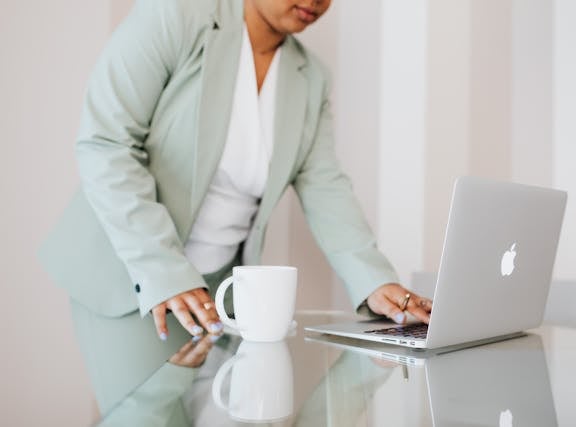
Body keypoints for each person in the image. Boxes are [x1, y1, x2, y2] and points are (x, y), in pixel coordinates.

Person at [39, 0, 432, 413]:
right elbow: (106, 145)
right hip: (130, 274)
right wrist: (167, 272)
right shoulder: (175, 17)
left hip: (221, 295)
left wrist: (374, 280)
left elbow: (325, 185)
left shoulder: (311, 77)